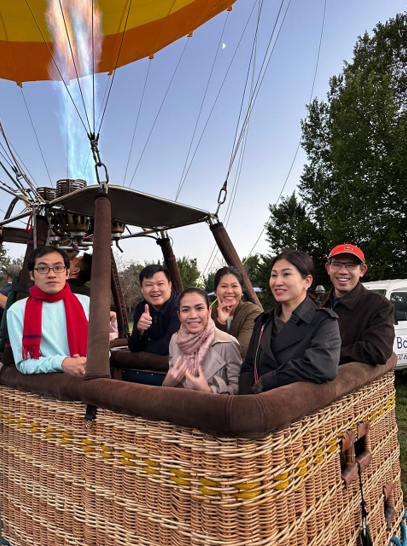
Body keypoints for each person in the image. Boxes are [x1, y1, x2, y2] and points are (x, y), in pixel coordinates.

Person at [239, 250, 340, 395]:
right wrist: (246, 402)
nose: (277, 282)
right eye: (274, 275)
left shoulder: (323, 321)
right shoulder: (264, 321)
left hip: (298, 410)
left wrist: (269, 380)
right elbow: (249, 366)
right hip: (259, 407)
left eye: (286, 274)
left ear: (307, 281)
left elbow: (323, 366)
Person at [7, 246, 89, 375]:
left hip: (89, 380)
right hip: (48, 387)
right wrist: (62, 363)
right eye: (43, 268)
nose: (51, 275)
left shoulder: (88, 303)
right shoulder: (17, 311)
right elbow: (23, 364)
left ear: (67, 273)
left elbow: (103, 350)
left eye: (58, 268)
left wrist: (84, 363)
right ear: (32, 275)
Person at [319, 244, 394, 366]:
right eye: (337, 264)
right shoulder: (318, 302)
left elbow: (378, 350)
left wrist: (326, 354)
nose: (343, 271)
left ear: (362, 270)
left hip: (346, 381)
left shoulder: (378, 305)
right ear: (328, 268)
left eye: (351, 265)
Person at [163, 288, 242, 394]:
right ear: (179, 315)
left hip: (213, 409)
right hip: (181, 408)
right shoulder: (175, 340)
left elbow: (239, 389)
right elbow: (172, 376)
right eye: (186, 310)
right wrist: (167, 384)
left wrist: (208, 390)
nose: (193, 316)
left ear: (209, 311)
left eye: (199, 308)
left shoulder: (228, 343)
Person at [128, 264, 180, 355]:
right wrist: (140, 331)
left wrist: (144, 346)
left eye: (160, 284)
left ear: (169, 285)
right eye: (148, 285)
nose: (155, 289)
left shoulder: (181, 307)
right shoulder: (141, 308)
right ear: (142, 288)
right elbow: (133, 346)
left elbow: (169, 347)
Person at [212, 266, 262, 358]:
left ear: (242, 290)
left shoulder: (252, 312)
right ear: (216, 291)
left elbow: (241, 349)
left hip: (243, 370)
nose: (229, 291)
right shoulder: (210, 313)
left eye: (234, 286)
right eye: (224, 286)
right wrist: (219, 322)